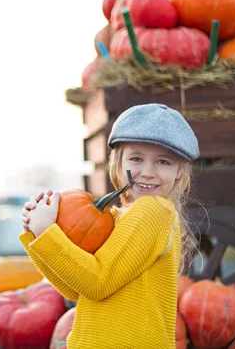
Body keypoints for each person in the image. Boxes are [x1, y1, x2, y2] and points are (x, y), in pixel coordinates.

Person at [19, 103, 200, 349]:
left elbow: (97, 282)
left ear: (180, 171)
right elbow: (73, 288)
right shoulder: (116, 219)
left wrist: (47, 233)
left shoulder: (153, 212)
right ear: (118, 163)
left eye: (163, 162)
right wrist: (37, 236)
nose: (147, 172)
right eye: (136, 158)